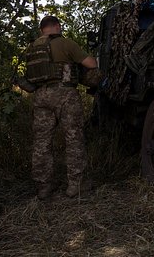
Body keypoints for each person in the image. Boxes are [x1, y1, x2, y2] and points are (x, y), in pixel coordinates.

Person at [25, 16, 97, 200]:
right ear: (57, 26)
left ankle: (43, 187)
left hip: (41, 96)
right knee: (73, 138)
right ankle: (75, 186)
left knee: (42, 142)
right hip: (65, 94)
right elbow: (91, 64)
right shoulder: (65, 43)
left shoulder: (31, 48)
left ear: (42, 29)